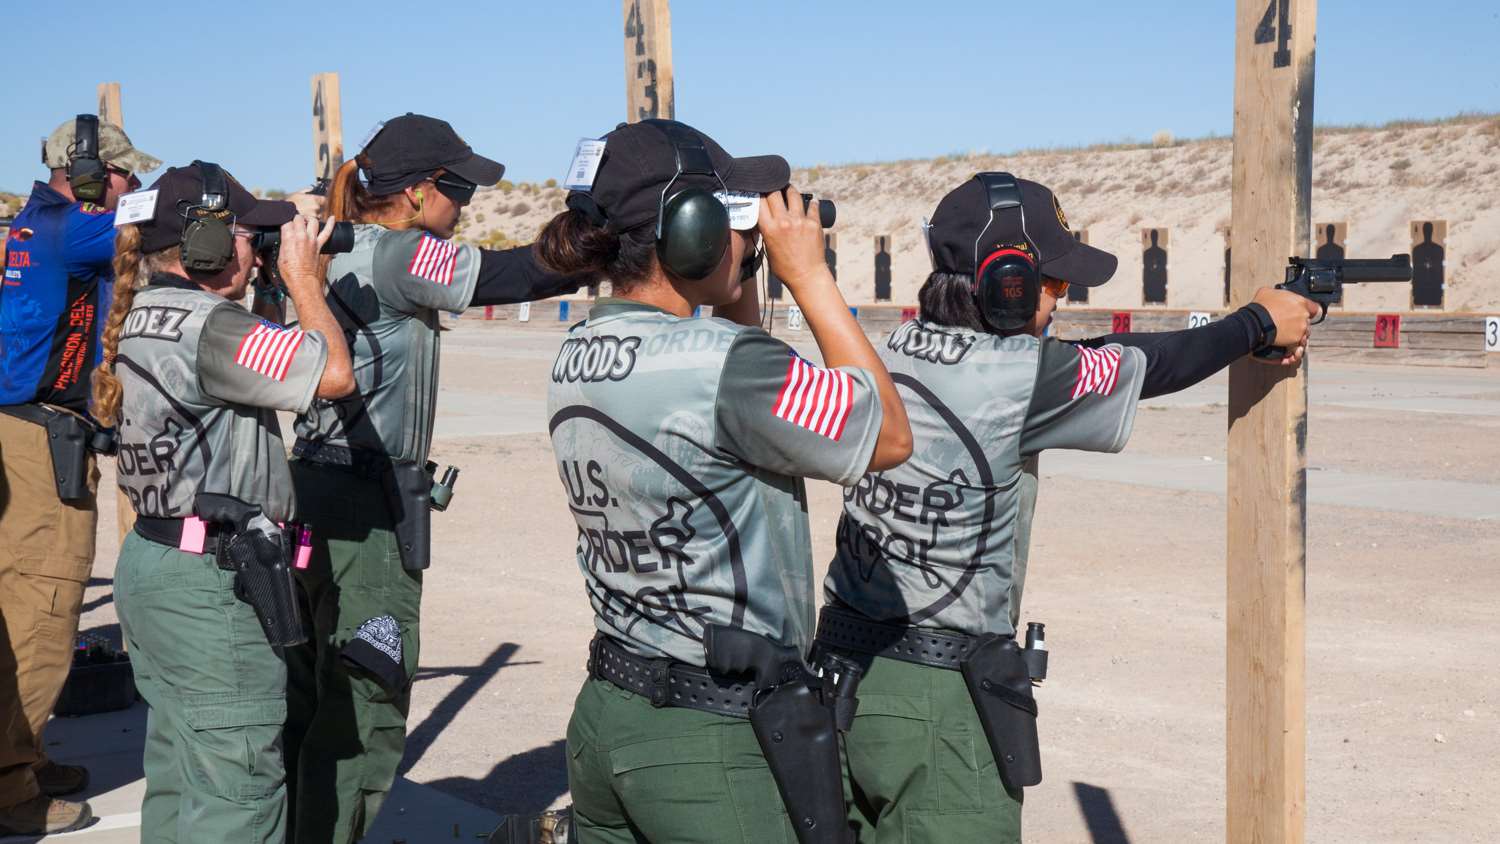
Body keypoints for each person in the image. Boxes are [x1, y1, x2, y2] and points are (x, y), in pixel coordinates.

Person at [814, 173, 1318, 842]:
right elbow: (1148, 364)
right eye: (1053, 281)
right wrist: (1258, 323)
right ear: (1008, 282)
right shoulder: (1024, 380)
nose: (1064, 294)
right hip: (941, 698)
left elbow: (1088, 356)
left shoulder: (891, 350)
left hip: (842, 678)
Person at [536, 118, 912, 843]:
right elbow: (888, 435)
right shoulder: (725, 368)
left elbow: (728, 379)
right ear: (692, 231)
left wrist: (738, 271)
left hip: (611, 711)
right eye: (734, 225)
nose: (747, 242)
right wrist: (808, 274)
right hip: (713, 743)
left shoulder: (579, 351)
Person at [284, 113, 585, 843]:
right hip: (366, 505)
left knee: (309, 696)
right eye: (458, 190)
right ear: (417, 194)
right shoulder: (400, 254)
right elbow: (519, 274)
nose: (468, 205)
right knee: (365, 705)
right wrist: (608, 229)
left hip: (309, 489)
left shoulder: (337, 250)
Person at [91, 161, 354, 842]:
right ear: (205, 242)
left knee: (182, 780)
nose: (254, 247)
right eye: (244, 234)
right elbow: (332, 373)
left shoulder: (145, 311)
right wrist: (302, 281)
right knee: (238, 794)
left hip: (157, 564)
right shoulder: (211, 328)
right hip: (211, 585)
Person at [0, 115, 160, 836]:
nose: (134, 187)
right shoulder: (72, 228)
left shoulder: (35, 223)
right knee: (45, 606)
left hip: (24, 431)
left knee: (22, 603)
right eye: (124, 175)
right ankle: (9, 790)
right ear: (88, 172)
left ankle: (20, 757)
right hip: (40, 438)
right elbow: (165, 220)